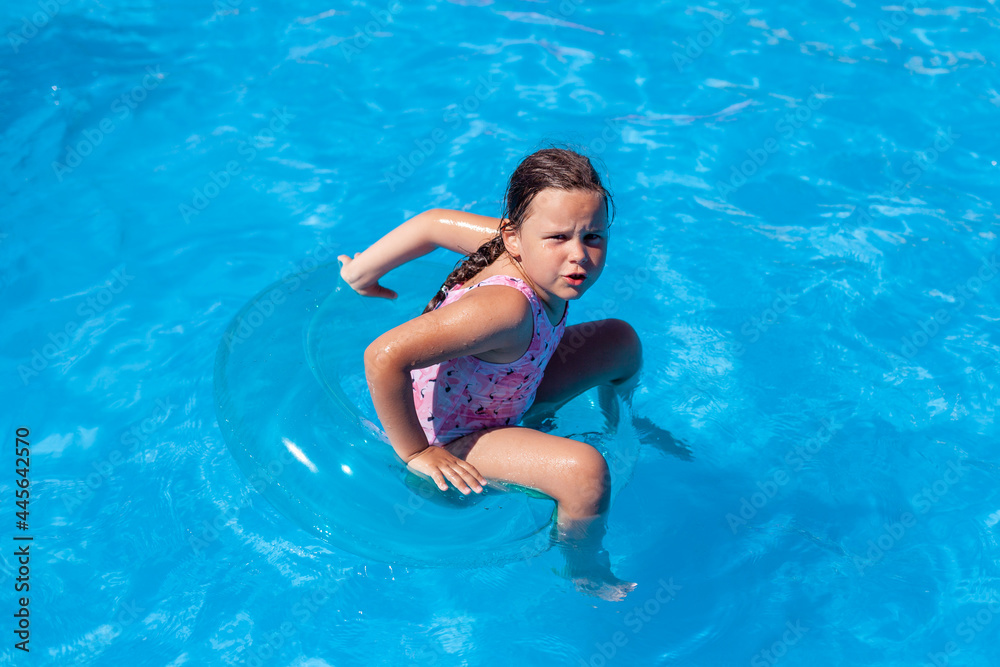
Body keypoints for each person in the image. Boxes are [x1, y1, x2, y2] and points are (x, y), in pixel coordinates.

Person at [338, 147, 653, 601]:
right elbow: (382, 356)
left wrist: (364, 271)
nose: (578, 256)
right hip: (459, 431)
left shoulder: (526, 243)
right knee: (585, 471)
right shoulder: (504, 308)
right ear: (514, 239)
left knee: (621, 342)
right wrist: (416, 453)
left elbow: (432, 224)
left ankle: (623, 421)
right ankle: (579, 567)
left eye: (594, 237)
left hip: (508, 386)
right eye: (559, 237)